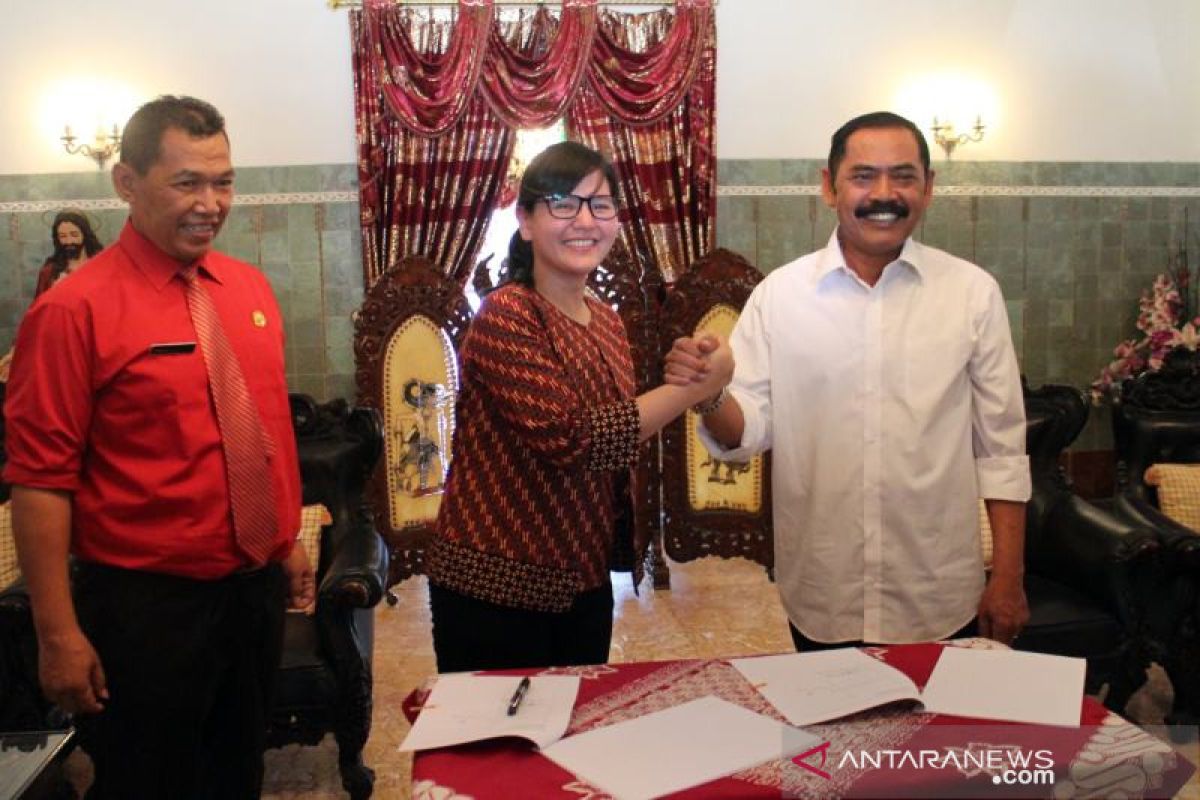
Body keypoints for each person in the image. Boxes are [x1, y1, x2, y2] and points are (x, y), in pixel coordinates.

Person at [3, 95, 312, 798]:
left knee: (239, 773)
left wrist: (284, 538)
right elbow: (40, 482)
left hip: (252, 598)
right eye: (187, 183)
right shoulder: (71, 311)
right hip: (147, 612)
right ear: (126, 182)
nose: (211, 203)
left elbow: (262, 434)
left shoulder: (249, 289)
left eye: (224, 181)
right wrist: (58, 635)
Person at [666, 111, 1031, 650]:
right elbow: (747, 431)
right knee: (836, 736)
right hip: (822, 592)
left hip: (938, 593)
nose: (883, 193)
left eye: (903, 176)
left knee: (937, 736)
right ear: (828, 187)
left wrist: (1008, 577)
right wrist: (710, 392)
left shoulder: (972, 294)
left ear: (928, 189)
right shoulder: (781, 296)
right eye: (863, 176)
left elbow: (1002, 448)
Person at [426, 141, 733, 673]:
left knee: (570, 735)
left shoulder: (606, 319)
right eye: (563, 204)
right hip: (496, 585)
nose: (584, 221)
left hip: (582, 577)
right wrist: (692, 390)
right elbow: (575, 439)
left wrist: (693, 369)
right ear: (524, 221)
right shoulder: (507, 314)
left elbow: (626, 422)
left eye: (601, 204)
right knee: (497, 748)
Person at [34, 210, 105, 296]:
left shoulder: (102, 266)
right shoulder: (49, 272)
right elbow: (39, 306)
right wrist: (54, 292)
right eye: (63, 236)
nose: (69, 241)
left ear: (85, 235)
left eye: (74, 235)